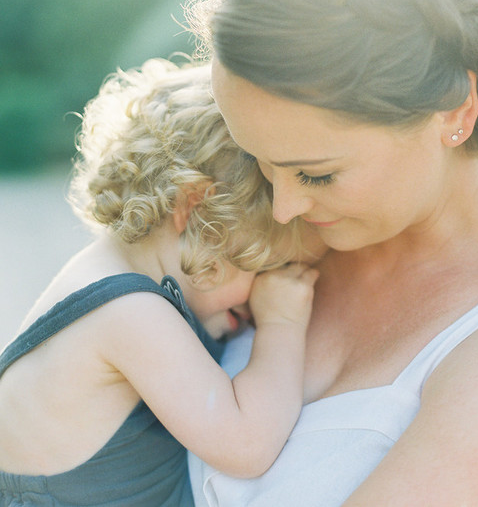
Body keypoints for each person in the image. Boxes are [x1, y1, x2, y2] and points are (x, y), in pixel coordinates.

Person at [186, 0, 478, 506]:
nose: (282, 209)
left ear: (455, 109)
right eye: (258, 162)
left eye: (316, 174)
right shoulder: (268, 226)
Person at [0, 58, 319, 507]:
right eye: (262, 266)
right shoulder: (130, 313)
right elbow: (247, 446)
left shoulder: (101, 278)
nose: (259, 295)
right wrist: (282, 323)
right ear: (196, 211)